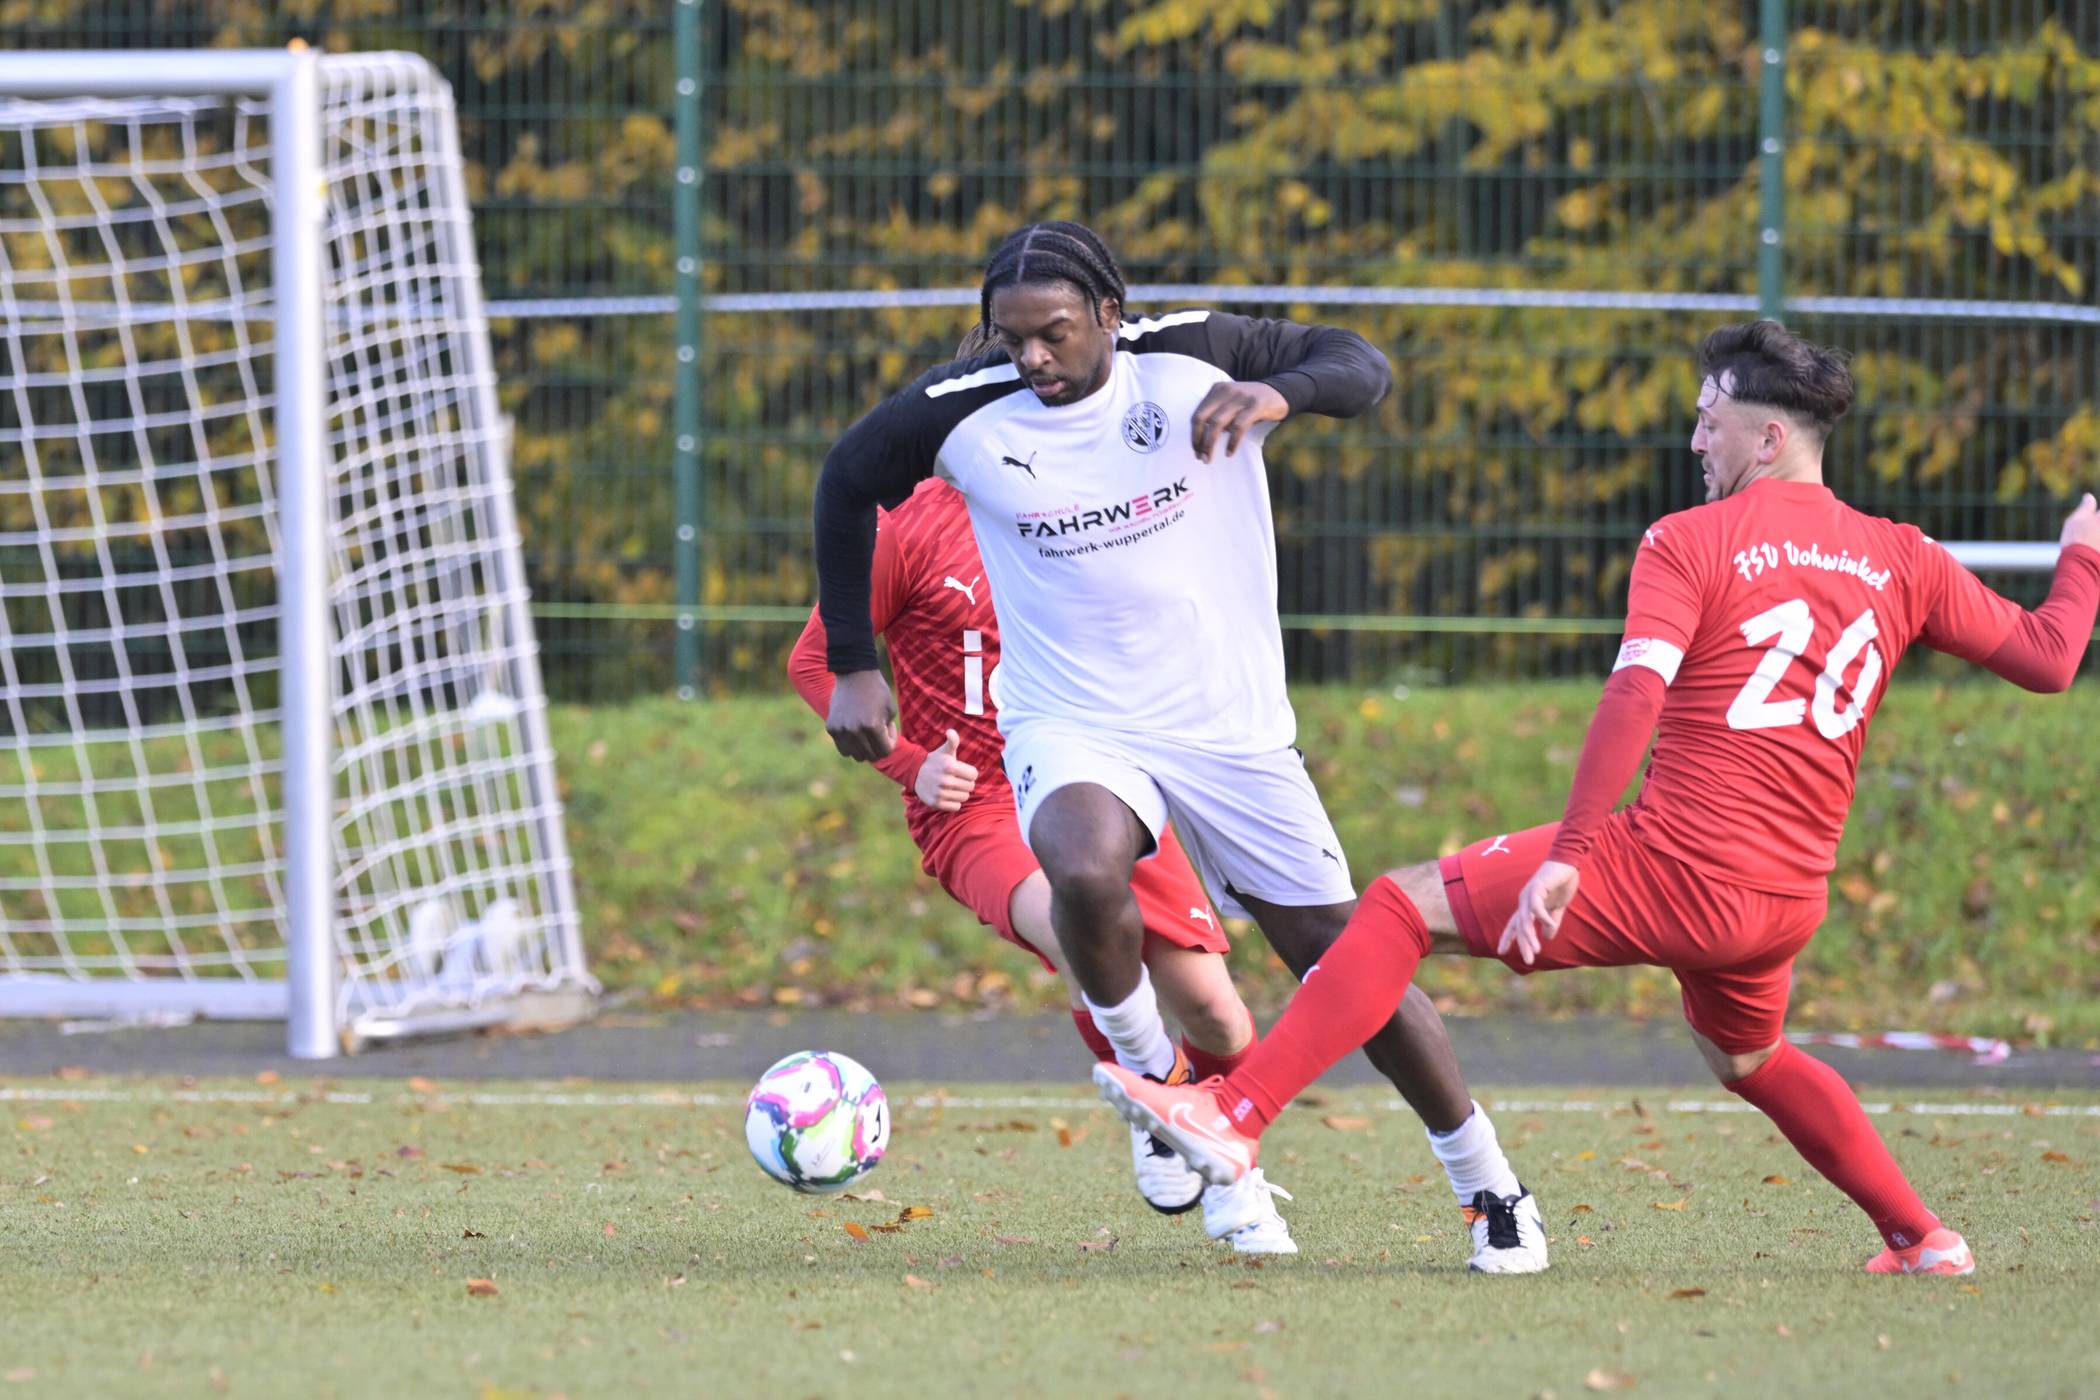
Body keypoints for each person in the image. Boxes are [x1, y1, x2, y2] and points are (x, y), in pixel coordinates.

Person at [1091, 319, 2100, 1278]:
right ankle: (1922, 1234)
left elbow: (1634, 692)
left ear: (1772, 434)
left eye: (1712, 417)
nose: (1697, 436)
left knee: (1399, 904)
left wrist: (1574, 851)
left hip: (1673, 864)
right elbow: (2055, 660)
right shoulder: (1903, 556)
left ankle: (1237, 1113)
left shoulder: (1691, 539)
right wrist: (2084, 551)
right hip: (1785, 897)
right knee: (1747, 1053)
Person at [812, 221, 1544, 1272]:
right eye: (1012, 337)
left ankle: (1488, 1183)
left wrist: (1280, 394)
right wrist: (851, 658)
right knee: (1077, 858)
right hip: (1073, 714)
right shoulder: (962, 411)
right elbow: (845, 478)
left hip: (1226, 720)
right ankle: (1158, 1086)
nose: (1033, 359)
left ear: (1110, 312)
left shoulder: (1193, 352)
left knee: (1342, 960)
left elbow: (1359, 362)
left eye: (1055, 333)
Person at [788, 344, 1295, 1252]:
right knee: (1079, 921)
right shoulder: (913, 525)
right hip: (980, 804)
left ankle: (1213, 1126)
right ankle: (1168, 1119)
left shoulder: (1090, 498)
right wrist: (906, 763)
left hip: (1109, 766)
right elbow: (816, 661)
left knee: (1219, 1011)